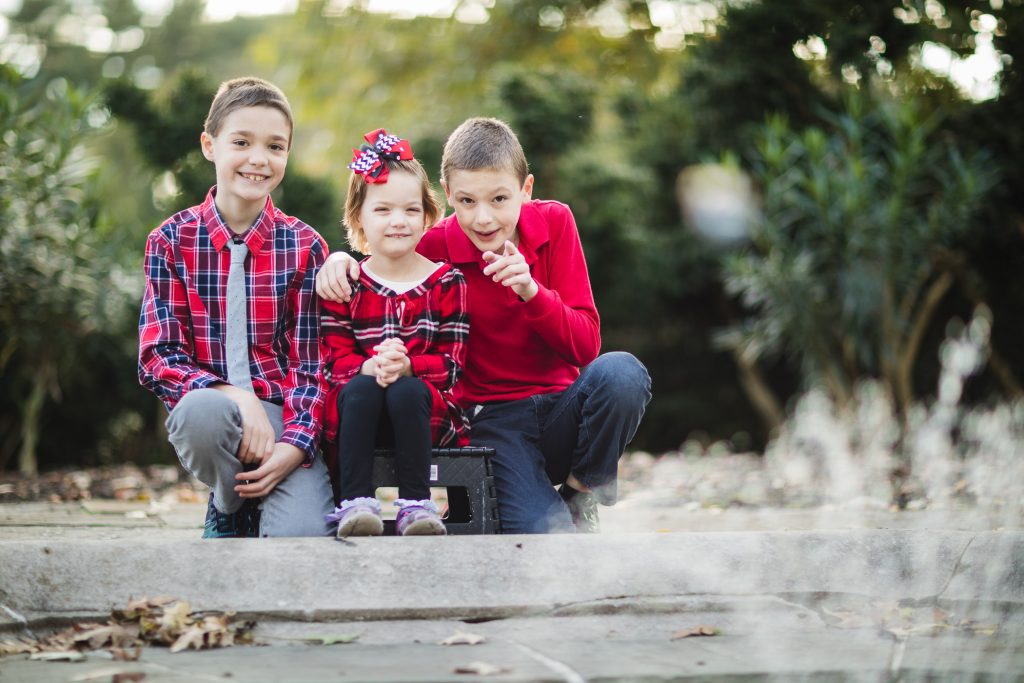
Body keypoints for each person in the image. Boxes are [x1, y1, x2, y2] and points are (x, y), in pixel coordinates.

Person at [317, 117, 651, 534]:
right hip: (492, 421)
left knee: (622, 373)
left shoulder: (555, 222)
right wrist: (338, 260)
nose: (483, 218)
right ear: (448, 197)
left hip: (562, 408)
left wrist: (532, 291)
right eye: (467, 201)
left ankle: (581, 492)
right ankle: (548, 511)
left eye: (499, 199)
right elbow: (383, 246)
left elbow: (585, 346)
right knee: (544, 535)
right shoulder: (435, 245)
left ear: (526, 190)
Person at [138, 77, 334, 538]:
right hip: (216, 412)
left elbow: (315, 364)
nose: (258, 159)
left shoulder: (305, 246)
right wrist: (234, 394)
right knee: (197, 413)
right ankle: (228, 503)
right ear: (209, 145)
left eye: (275, 146)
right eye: (241, 142)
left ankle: (274, 496)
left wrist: (297, 443)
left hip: (285, 417)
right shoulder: (171, 240)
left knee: (301, 542)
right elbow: (158, 356)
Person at [320, 129, 469, 537]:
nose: (399, 221)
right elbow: (334, 360)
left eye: (410, 209)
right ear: (359, 218)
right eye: (383, 210)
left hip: (425, 413)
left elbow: (451, 364)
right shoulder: (346, 283)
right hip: (359, 411)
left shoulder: (446, 282)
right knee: (362, 388)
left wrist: (408, 366)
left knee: (406, 390)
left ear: (428, 215)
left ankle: (417, 505)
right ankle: (356, 503)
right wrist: (370, 366)